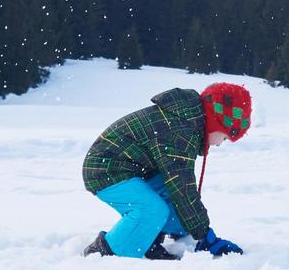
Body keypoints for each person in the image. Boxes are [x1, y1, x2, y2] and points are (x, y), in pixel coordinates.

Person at [80, 82, 252, 259]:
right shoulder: (180, 132)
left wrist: (191, 226)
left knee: (177, 209)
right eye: (224, 137)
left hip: (134, 171)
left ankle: (148, 237)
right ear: (216, 122)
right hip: (106, 170)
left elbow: (178, 188)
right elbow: (182, 188)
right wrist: (206, 236)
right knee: (152, 209)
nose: (219, 144)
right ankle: (106, 253)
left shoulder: (186, 122)